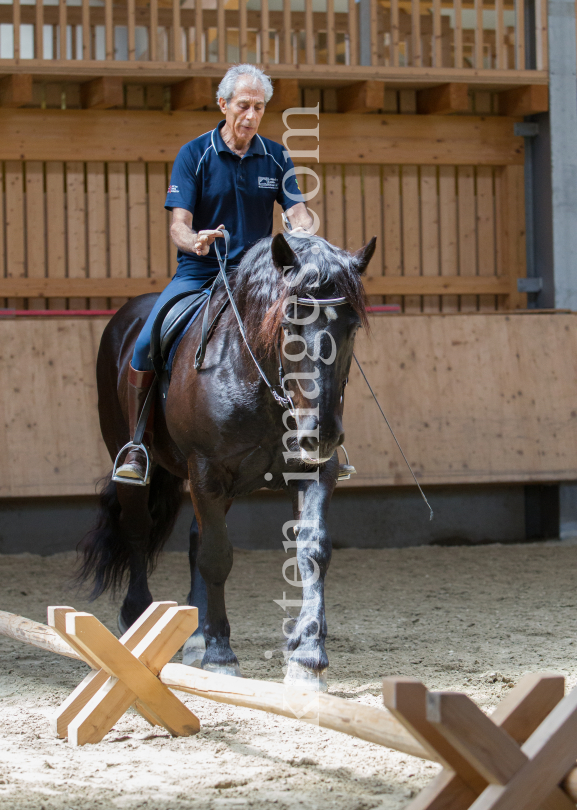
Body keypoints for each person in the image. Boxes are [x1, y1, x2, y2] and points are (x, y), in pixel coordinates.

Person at [114, 64, 314, 485]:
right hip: (201, 272)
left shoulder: (277, 155)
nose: (252, 115)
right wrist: (194, 240)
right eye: (244, 105)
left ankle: (317, 436)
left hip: (258, 279)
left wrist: (303, 228)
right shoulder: (195, 154)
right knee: (148, 341)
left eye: (259, 107)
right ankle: (136, 443)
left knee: (311, 332)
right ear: (223, 104)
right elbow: (178, 226)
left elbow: (297, 211)